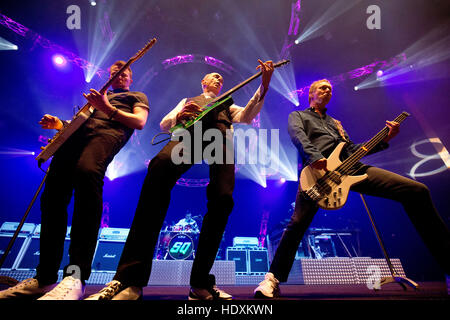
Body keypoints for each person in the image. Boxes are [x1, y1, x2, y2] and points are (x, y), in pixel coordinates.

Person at [85, 59, 274, 300]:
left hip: (220, 141)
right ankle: (129, 280)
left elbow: (247, 116)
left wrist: (264, 85)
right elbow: (165, 123)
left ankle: (200, 284)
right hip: (189, 137)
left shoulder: (227, 102)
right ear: (203, 82)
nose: (218, 80)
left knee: (223, 198)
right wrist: (179, 117)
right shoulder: (187, 101)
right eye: (213, 77)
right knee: (158, 169)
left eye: (221, 79)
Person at [254, 79, 450, 298]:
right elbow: (298, 136)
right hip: (317, 175)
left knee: (418, 191)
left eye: (330, 88)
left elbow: (351, 150)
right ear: (311, 94)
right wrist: (316, 157)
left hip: (352, 170)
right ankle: (272, 279)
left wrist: (384, 139)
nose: (328, 90)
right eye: (322, 87)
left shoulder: (336, 123)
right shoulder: (298, 116)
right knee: (297, 224)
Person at [0, 61, 149, 300]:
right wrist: (58, 124)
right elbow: (79, 124)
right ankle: (44, 277)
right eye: (114, 74)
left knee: (87, 172)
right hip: (76, 138)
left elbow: (139, 122)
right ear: (108, 77)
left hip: (107, 134)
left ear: (130, 79)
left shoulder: (135, 96)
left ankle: (76, 276)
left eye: (124, 74)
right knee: (52, 195)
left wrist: (107, 107)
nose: (119, 76)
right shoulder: (96, 98)